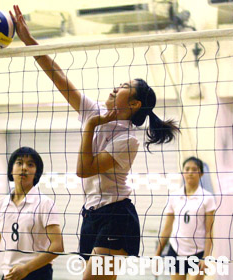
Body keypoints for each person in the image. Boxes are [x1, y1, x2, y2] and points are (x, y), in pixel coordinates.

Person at [9, 5, 180, 279]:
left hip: (116, 216)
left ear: (134, 103)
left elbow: (83, 169)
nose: (116, 87)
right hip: (90, 216)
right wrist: (29, 43)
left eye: (124, 86)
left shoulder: (127, 140)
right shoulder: (95, 110)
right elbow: (58, 76)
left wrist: (90, 126)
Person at [0, 147, 64, 280]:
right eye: (19, 163)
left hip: (37, 273)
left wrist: (26, 268)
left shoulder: (45, 203)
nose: (24, 167)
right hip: (9, 275)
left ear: (36, 173)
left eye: (30, 164)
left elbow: (57, 246)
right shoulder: (0, 205)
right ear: (11, 170)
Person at [155, 157, 216, 280]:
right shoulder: (174, 196)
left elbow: (209, 231)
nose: (190, 172)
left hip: (197, 252)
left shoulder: (207, 198)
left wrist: (206, 257)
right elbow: (167, 228)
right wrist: (157, 254)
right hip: (176, 250)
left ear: (201, 173)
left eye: (194, 169)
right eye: (187, 169)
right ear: (183, 172)